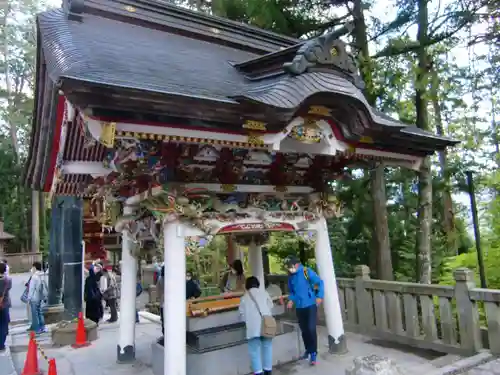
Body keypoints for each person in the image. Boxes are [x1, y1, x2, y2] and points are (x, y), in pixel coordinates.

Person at [285, 256, 324, 366]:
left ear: (296, 265)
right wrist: (291, 301)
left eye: (290, 267)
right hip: (299, 306)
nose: (289, 269)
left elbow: (318, 282)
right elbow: (292, 292)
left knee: (311, 329)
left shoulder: (307, 272)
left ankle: (314, 353)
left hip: (310, 304)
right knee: (304, 330)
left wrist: (319, 296)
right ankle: (308, 350)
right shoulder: (291, 277)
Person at [239, 276, 274, 375]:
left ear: (247, 286)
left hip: (253, 328)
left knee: (254, 350)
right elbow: (271, 306)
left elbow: (241, 315)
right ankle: (268, 370)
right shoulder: (265, 293)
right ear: (258, 284)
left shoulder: (244, 298)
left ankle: (259, 372)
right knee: (267, 347)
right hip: (267, 325)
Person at [27, 262, 48, 334]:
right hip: (40, 297)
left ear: (35, 267)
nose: (31, 269)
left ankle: (37, 329)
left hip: (34, 298)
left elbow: (31, 288)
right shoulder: (42, 275)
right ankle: (43, 327)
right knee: (40, 313)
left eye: (32, 267)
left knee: (35, 314)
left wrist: (29, 298)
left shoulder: (34, 277)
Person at [0, 262, 12, 352]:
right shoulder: (8, 279)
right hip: (4, 304)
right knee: (3, 325)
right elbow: (8, 288)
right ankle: (1, 344)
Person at [156, 265, 165, 345]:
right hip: (172, 303)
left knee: (163, 320)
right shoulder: (171, 278)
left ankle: (164, 335)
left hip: (163, 303)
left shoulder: (160, 279)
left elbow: (158, 290)